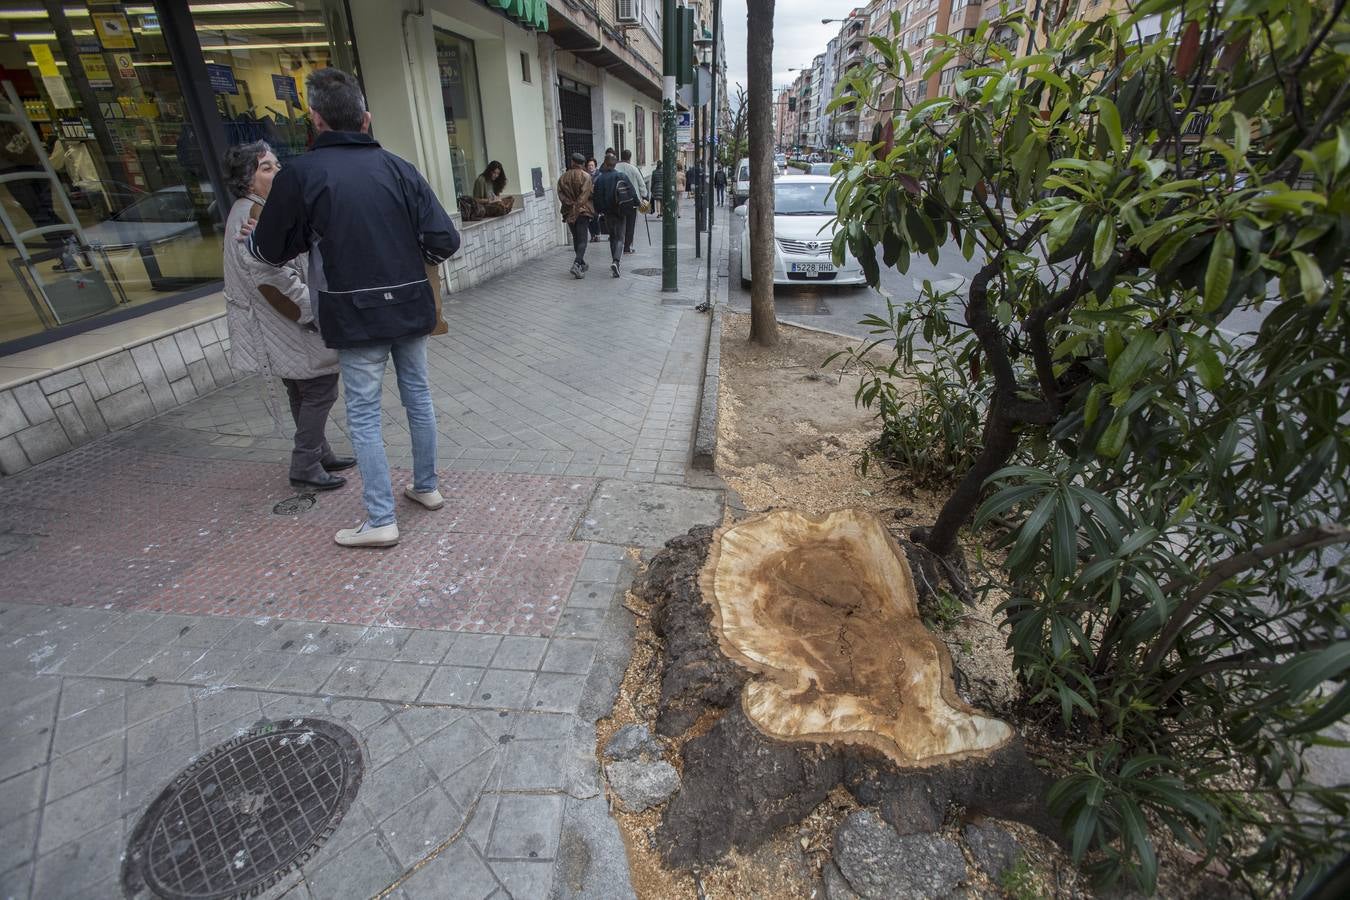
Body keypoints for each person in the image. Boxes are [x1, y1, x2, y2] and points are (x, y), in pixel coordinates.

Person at [247, 67, 460, 549]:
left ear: (315, 119)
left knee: (364, 414)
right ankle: (426, 487)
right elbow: (445, 239)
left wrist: (261, 241)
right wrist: (408, 261)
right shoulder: (398, 167)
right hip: (409, 305)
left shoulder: (300, 174)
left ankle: (381, 518)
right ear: (366, 119)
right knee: (418, 397)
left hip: (352, 313)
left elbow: (269, 252)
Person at [223, 140, 353, 493]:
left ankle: (319, 453)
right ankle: (306, 463)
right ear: (248, 180)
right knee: (319, 388)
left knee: (302, 389)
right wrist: (315, 313)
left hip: (278, 325)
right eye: (266, 168)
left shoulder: (257, 209)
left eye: (276, 165)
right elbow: (272, 280)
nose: (277, 172)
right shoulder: (253, 215)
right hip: (288, 323)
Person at [591, 153, 635, 278]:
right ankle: (616, 261)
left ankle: (614, 261)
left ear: (605, 163)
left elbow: (596, 197)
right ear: (615, 164)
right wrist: (637, 203)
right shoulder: (621, 176)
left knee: (613, 236)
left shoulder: (600, 179)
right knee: (620, 237)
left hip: (607, 212)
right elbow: (631, 191)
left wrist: (598, 211)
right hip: (620, 211)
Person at [557, 151, 594, 279]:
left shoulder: (563, 177)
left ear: (572, 162)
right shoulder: (586, 176)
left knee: (576, 238)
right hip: (582, 211)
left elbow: (561, 195)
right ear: (582, 164)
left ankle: (581, 263)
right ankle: (577, 264)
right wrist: (576, 208)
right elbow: (584, 197)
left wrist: (570, 205)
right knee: (583, 240)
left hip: (568, 211)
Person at [614, 149, 647, 255]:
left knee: (618, 223)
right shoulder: (634, 169)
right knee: (630, 225)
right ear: (630, 157)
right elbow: (642, 184)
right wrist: (644, 195)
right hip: (632, 201)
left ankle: (617, 244)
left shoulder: (615, 168)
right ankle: (627, 247)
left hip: (617, 201)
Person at [585, 157, 601, 241]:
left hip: (596, 199)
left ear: (595, 166)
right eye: (589, 165)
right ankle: (592, 235)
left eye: (592, 165)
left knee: (595, 217)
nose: (590, 167)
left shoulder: (600, 175)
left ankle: (597, 234)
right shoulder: (584, 176)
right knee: (589, 218)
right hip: (587, 200)